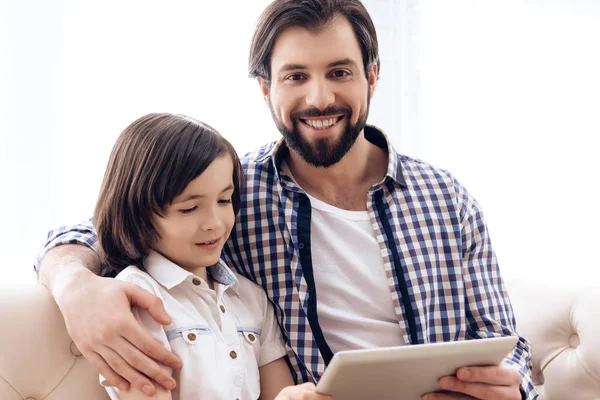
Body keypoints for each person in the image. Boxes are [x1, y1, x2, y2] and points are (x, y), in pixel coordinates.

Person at [35, 1, 538, 399]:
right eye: (296, 76)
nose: (319, 98)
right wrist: (74, 285)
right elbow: (105, 227)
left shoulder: (446, 200)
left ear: (373, 76)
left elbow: (506, 345)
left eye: (340, 72)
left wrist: (509, 387)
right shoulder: (233, 193)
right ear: (264, 88)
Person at [90, 112, 322, 400]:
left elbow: (279, 393)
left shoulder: (252, 299)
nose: (215, 222)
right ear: (137, 212)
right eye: (189, 208)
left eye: (224, 200)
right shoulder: (136, 298)